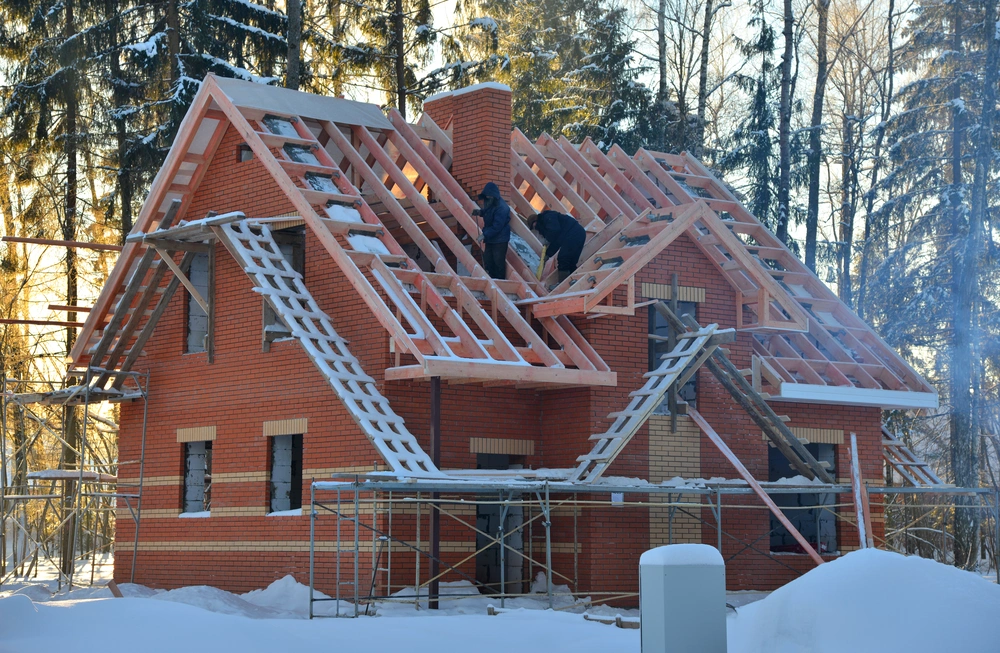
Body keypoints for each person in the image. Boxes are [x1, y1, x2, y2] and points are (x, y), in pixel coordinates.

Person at [527, 210, 587, 283]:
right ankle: (573, 283)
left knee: (563, 258)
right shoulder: (548, 220)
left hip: (574, 234)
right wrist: (548, 254)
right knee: (571, 262)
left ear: (535, 222)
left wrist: (547, 239)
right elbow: (556, 241)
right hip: (578, 234)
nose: (537, 230)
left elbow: (554, 231)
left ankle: (562, 284)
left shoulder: (547, 217)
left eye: (535, 227)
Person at [471, 182, 511, 279]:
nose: (487, 198)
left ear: (493, 196)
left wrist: (484, 235)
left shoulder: (502, 208)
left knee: (498, 262)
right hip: (491, 239)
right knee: (488, 260)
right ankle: (492, 280)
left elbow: (497, 226)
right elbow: (489, 211)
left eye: (489, 196)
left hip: (500, 240)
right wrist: (480, 212)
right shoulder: (491, 201)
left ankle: (500, 283)